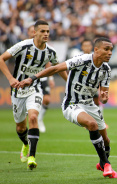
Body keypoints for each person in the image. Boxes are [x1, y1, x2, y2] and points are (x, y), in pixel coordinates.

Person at [16, 37, 117, 178]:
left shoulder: (106, 69)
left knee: (106, 140)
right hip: (72, 104)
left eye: (111, 50)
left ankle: (103, 163)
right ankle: (106, 164)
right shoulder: (81, 60)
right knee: (91, 124)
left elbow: (103, 94)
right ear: (96, 49)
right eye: (106, 49)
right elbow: (56, 68)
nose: (110, 53)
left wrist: (104, 98)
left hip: (90, 105)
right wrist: (32, 78)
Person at [0, 20, 68, 170]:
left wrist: (68, 82)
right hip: (17, 90)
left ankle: (32, 156)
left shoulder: (50, 51)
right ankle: (25, 143)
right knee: (20, 126)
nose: (46, 34)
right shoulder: (23, 46)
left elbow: (58, 68)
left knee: (32, 117)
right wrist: (11, 79)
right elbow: (1, 59)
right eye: (42, 31)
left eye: (48, 31)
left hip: (35, 88)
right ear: (34, 32)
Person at [27, 25, 55, 133]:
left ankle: (40, 119)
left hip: (41, 77)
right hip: (27, 78)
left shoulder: (44, 46)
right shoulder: (24, 46)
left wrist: (51, 78)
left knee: (47, 100)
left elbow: (48, 63)